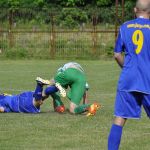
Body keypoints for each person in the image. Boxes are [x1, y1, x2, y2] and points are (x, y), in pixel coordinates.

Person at [108, 0, 150, 149]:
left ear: (135, 10)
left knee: (119, 119)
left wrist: (127, 69)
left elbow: (117, 54)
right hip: (147, 79)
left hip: (128, 79)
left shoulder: (125, 27)